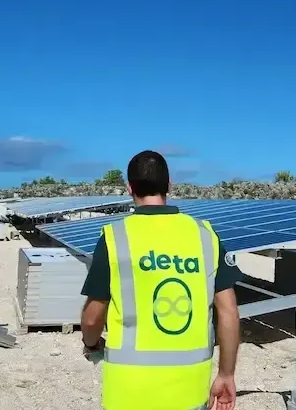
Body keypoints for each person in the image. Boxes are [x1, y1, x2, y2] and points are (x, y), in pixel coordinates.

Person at [80, 150, 242, 410]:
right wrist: (226, 375)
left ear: (129, 188)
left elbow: (92, 318)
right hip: (189, 391)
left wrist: (91, 343)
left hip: (129, 392)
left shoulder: (116, 237)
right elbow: (229, 312)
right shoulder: (205, 236)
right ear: (169, 185)